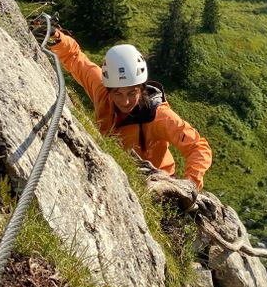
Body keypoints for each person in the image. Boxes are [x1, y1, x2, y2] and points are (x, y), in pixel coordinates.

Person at [48, 29, 212, 199]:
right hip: (113, 175)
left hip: (159, 187)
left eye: (132, 93)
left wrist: (189, 186)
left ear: (142, 89)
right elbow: (76, 58)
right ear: (108, 89)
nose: (125, 101)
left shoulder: (158, 116)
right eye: (118, 94)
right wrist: (56, 37)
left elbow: (198, 147)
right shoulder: (102, 91)